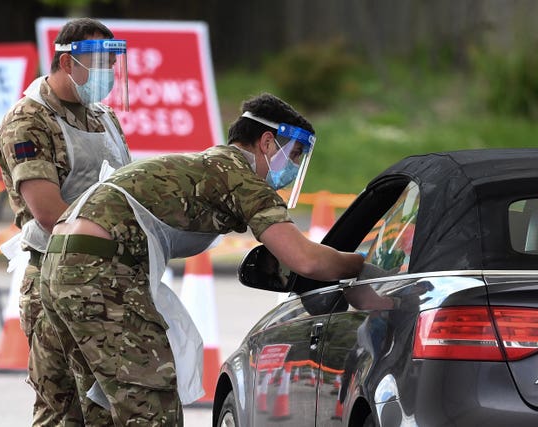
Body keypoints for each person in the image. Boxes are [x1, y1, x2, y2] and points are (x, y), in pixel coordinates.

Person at [38, 92, 365, 425]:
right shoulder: (239, 176)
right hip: (98, 270)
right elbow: (306, 260)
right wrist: (360, 264)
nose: (293, 168)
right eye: (293, 155)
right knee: (150, 401)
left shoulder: (209, 165)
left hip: (57, 265)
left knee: (96, 407)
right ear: (267, 142)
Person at [0, 17, 132, 425]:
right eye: (98, 63)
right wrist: (122, 231)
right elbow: (50, 213)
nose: (106, 75)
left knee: (107, 409)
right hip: (56, 277)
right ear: (68, 63)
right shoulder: (29, 120)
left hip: (108, 275)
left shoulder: (102, 117)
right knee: (62, 410)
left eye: (112, 64)